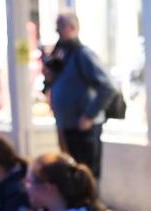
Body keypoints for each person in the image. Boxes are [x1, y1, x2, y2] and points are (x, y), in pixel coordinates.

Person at [44, 11, 118, 182]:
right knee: (74, 175)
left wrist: (88, 115)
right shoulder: (63, 54)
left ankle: (89, 208)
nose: (57, 31)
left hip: (84, 128)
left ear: (72, 27)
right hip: (69, 126)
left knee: (87, 176)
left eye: (60, 26)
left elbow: (108, 86)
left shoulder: (82, 54)